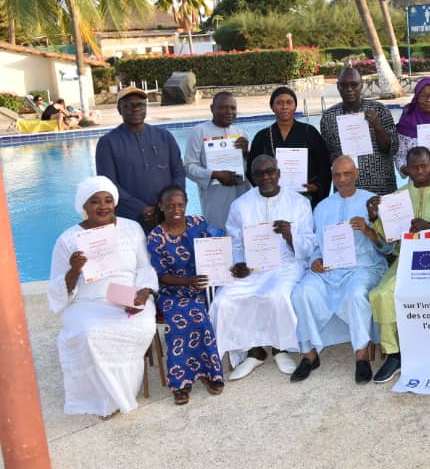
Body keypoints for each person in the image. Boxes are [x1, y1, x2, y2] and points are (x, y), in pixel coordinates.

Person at [48, 176, 157, 419]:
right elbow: (56, 286)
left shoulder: (131, 228)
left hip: (129, 296)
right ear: (83, 206)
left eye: (108, 200)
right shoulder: (67, 239)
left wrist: (144, 292)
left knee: (139, 328)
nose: (103, 206)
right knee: (90, 334)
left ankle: (122, 392)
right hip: (86, 302)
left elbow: (145, 268)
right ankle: (104, 400)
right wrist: (74, 270)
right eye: (95, 201)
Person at [210, 155, 316, 380]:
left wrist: (290, 235)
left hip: (286, 264)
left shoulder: (299, 203)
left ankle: (280, 349)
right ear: (253, 176)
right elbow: (236, 243)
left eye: (270, 172)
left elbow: (309, 246)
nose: (266, 177)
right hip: (253, 267)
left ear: (279, 173)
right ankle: (254, 351)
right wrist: (239, 263)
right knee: (224, 299)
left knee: (277, 295)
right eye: (260, 173)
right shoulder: (240, 205)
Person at [289, 156, 392, 384]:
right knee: (301, 293)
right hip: (330, 269)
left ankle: (361, 356)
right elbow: (315, 245)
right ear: (333, 177)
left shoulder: (372, 202)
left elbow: (388, 247)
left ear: (356, 173)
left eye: (347, 174)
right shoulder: (323, 207)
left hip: (363, 267)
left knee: (356, 294)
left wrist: (367, 230)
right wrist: (315, 260)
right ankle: (309, 354)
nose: (343, 180)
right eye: (337, 175)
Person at [368, 147, 430, 384]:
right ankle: (393, 354)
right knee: (380, 294)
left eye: (424, 166)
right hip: (407, 259)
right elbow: (385, 240)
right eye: (414, 167)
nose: (420, 171)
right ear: (406, 169)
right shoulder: (396, 198)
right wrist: (374, 217)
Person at [146, 185, 226, 405]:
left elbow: (217, 242)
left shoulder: (197, 223)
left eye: (180, 204)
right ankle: (181, 383)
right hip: (172, 291)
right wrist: (187, 282)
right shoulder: (156, 237)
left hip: (201, 286)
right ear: (161, 207)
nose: (175, 209)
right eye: (170, 205)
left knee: (205, 312)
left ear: (186, 204)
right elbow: (160, 276)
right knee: (185, 320)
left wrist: (221, 259)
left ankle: (211, 374)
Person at [95, 86, 184, 231]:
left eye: (140, 105)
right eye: (129, 105)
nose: (135, 109)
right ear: (119, 110)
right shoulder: (108, 143)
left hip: (167, 216)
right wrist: (141, 208)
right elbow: (109, 184)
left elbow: (179, 172)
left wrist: (172, 204)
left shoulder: (164, 136)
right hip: (129, 218)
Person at [320, 67, 399, 196]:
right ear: (338, 87)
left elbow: (392, 148)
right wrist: (332, 158)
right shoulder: (328, 117)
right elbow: (326, 154)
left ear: (361, 85)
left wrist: (377, 125)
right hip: (347, 189)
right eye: (344, 85)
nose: (349, 89)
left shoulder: (380, 110)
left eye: (354, 84)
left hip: (381, 188)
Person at [249, 86, 331, 208]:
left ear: (295, 106)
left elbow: (324, 165)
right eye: (279, 103)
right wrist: (266, 187)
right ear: (272, 107)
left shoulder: (310, 132)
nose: (284, 107)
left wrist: (317, 186)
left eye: (289, 102)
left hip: (306, 197)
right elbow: (252, 169)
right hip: (272, 199)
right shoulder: (262, 137)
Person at [183, 91, 251, 228]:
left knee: (244, 234)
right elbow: (189, 167)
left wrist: (246, 153)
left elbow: (251, 169)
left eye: (233, 108)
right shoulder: (199, 132)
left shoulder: (242, 134)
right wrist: (215, 174)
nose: (229, 112)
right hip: (215, 198)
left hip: (242, 194)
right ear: (212, 108)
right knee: (219, 236)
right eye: (223, 107)